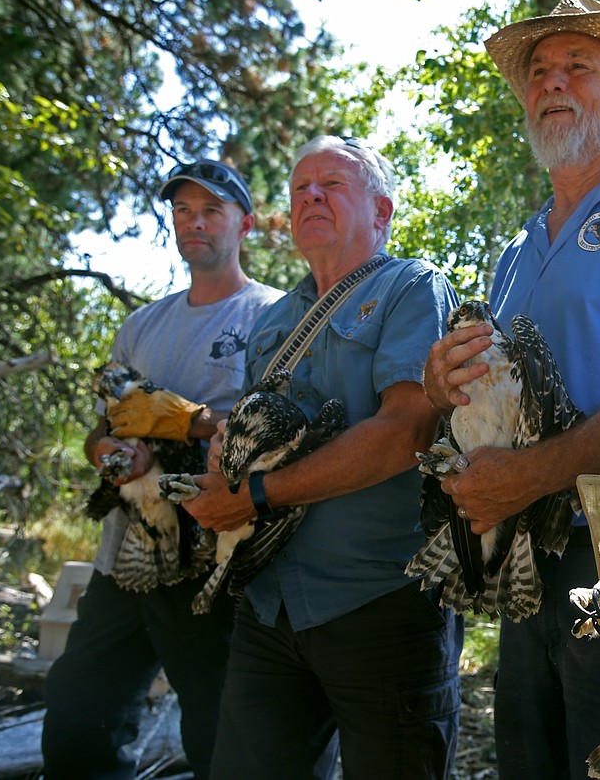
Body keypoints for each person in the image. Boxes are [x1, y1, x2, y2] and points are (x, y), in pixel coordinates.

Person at [422, 0, 600, 779]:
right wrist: (445, 385)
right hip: (530, 537)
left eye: (578, 65)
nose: (553, 82)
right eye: (541, 71)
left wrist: (528, 472)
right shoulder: (517, 249)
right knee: (531, 747)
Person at [180, 136, 463, 779]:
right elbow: (255, 442)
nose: (310, 194)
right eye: (299, 186)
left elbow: (405, 432)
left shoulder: (411, 288)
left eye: (332, 184)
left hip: (384, 603)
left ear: (382, 211)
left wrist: (255, 495)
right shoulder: (275, 321)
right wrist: (227, 462)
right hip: (270, 606)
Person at [42, 160, 284, 779]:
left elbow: (269, 436)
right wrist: (116, 455)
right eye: (182, 211)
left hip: (213, 557)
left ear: (245, 224)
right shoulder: (140, 326)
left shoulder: (275, 317)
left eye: (211, 210)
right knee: (77, 715)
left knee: (221, 732)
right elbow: (104, 430)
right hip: (126, 554)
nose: (193, 222)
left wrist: (182, 421)